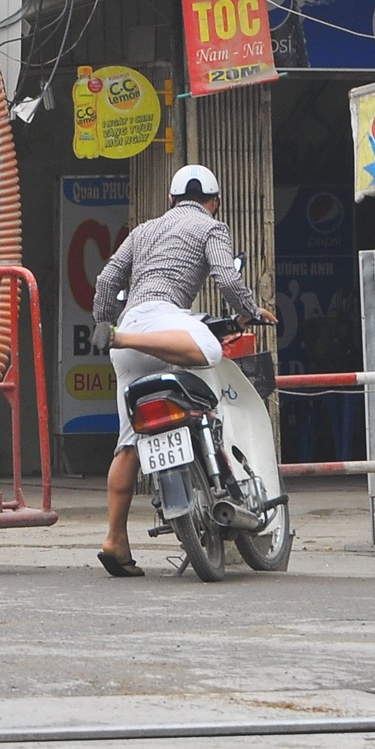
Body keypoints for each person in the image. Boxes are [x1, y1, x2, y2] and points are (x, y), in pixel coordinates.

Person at [90, 164, 275, 577]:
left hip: (129, 328)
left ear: (170, 200)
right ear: (215, 202)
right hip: (160, 325)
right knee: (209, 350)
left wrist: (106, 325)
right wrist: (248, 311)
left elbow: (105, 281)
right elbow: (228, 278)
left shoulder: (143, 231)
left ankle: (116, 540)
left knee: (128, 444)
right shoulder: (212, 227)